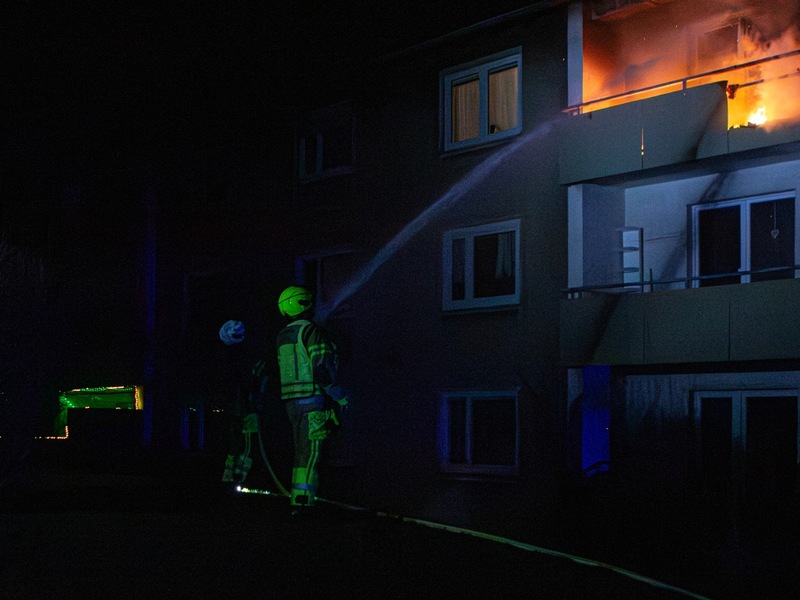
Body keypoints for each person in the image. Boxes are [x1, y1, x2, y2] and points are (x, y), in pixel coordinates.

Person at [275, 285, 347, 509]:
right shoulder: (311, 332)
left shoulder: (284, 335)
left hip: (291, 404)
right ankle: (304, 504)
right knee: (313, 454)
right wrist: (341, 397)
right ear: (304, 303)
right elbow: (323, 370)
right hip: (313, 402)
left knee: (302, 453)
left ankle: (299, 500)